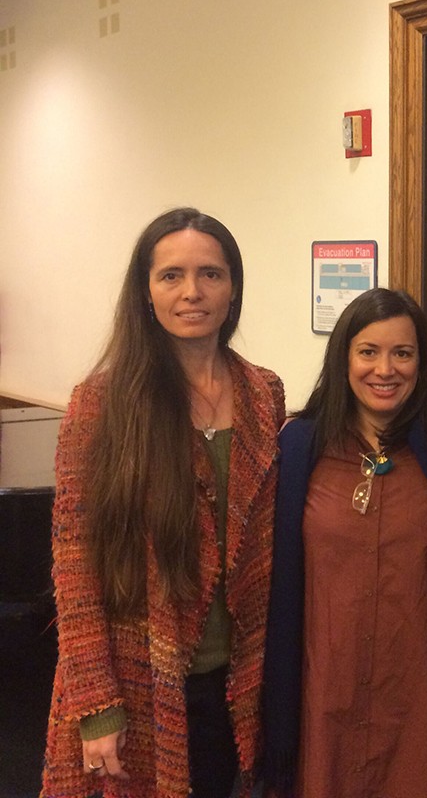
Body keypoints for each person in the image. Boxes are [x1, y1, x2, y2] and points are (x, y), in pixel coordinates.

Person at [41, 208, 286, 798]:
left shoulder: (264, 393)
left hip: (239, 683)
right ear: (146, 293)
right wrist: (97, 708)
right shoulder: (100, 405)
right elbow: (75, 570)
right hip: (136, 679)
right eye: (171, 276)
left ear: (233, 289)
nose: (192, 292)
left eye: (211, 274)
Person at [262, 288, 427, 797]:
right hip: (324, 701)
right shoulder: (300, 447)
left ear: (422, 363)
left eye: (402, 353)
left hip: (419, 703)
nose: (386, 369)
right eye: (368, 352)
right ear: (343, 358)